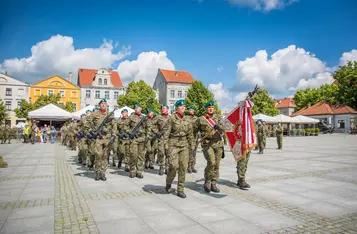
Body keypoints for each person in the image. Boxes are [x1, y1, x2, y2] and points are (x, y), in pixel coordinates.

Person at [164, 100, 194, 198]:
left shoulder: (187, 119)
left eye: (184, 106)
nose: (183, 108)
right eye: (180, 106)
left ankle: (180, 189)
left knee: (183, 167)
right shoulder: (171, 118)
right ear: (176, 108)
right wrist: (166, 146)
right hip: (173, 144)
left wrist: (192, 146)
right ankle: (169, 182)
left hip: (184, 145)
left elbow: (190, 134)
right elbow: (166, 133)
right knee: (173, 166)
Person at [195, 101, 224, 193]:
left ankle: (214, 183)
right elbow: (193, 131)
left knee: (217, 164)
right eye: (209, 107)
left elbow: (225, 128)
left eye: (212, 107)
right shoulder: (201, 119)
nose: (211, 108)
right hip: (207, 144)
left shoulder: (219, 118)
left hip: (218, 143)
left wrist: (220, 128)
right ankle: (207, 181)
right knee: (211, 162)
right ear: (206, 109)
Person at [85, 99, 115, 181]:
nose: (103, 105)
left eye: (105, 104)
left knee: (105, 156)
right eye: (102, 103)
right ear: (99, 105)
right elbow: (86, 122)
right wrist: (91, 131)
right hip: (98, 138)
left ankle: (103, 173)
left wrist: (114, 135)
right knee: (98, 155)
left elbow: (114, 125)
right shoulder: (95, 114)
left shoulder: (110, 114)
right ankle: (97, 172)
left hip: (107, 138)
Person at [128, 103, 147, 179]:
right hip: (134, 139)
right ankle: (132, 170)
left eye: (138, 108)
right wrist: (130, 132)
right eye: (135, 108)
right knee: (133, 155)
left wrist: (146, 136)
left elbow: (148, 128)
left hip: (142, 139)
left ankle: (139, 171)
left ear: (141, 108)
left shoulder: (144, 117)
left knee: (140, 156)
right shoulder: (131, 117)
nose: (136, 109)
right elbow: (126, 126)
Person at [155, 104, 171, 175]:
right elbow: (152, 125)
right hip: (161, 137)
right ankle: (161, 166)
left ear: (167, 109)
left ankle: (167, 167)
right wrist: (157, 132)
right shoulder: (158, 117)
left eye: (164, 108)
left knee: (168, 153)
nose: (163, 109)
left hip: (169, 138)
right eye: (162, 108)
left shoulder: (171, 117)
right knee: (161, 152)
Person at [187, 105, 199, 173]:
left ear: (193, 110)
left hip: (195, 138)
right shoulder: (186, 118)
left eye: (191, 109)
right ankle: (188, 166)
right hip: (188, 138)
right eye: (188, 109)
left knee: (194, 152)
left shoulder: (197, 118)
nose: (189, 111)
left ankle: (193, 166)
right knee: (189, 152)